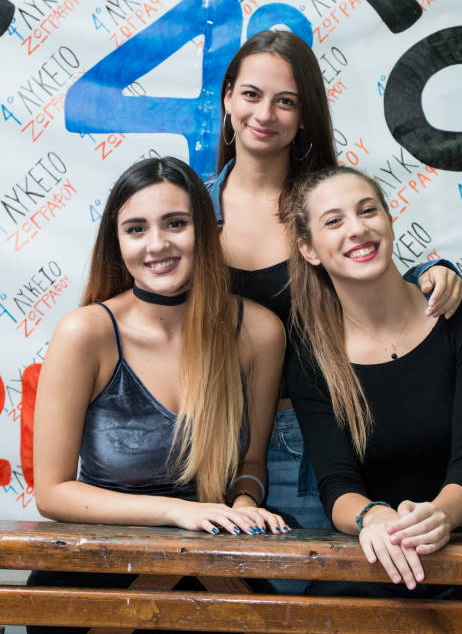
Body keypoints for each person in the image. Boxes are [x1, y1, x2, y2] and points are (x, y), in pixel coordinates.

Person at [207, 29, 462, 540]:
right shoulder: (188, 210)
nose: (264, 114)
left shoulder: (328, 205)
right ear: (228, 98)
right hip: (203, 439)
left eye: (286, 101)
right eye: (252, 94)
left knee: (314, 587)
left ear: (305, 115)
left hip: (307, 442)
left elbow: (372, 283)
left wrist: (427, 272)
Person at [28, 156, 287, 634]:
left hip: (211, 579)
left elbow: (250, 464)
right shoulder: (86, 332)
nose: (157, 244)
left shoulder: (258, 331)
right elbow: (53, 492)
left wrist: (245, 503)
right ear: (117, 242)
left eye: (176, 223)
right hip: (92, 583)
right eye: (136, 229)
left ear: (205, 230)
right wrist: (177, 511)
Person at [285, 165, 462, 601]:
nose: (357, 229)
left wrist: (437, 518)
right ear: (309, 249)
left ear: (389, 220)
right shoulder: (309, 355)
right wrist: (374, 517)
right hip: (369, 561)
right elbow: (336, 483)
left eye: (367, 210)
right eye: (333, 221)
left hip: (460, 556)